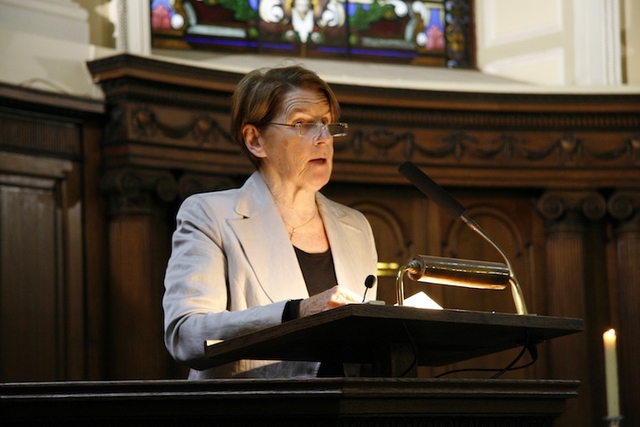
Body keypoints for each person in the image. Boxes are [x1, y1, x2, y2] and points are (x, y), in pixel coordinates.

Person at [162, 64, 378, 379]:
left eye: (326, 123)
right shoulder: (209, 215)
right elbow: (186, 336)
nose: (323, 139)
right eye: (302, 123)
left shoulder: (356, 227)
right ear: (255, 140)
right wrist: (296, 312)